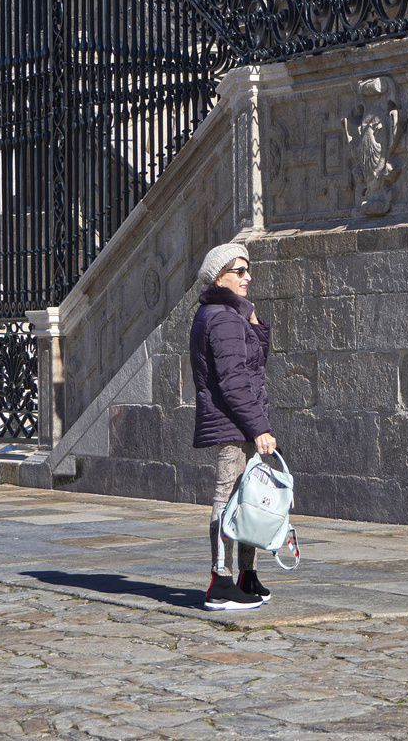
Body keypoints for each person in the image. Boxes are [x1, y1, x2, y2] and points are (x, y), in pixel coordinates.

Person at [189, 242, 277, 610]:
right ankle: (220, 581)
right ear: (218, 276)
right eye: (238, 271)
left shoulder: (230, 314)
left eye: (247, 269)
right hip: (233, 422)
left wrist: (255, 322)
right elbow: (234, 380)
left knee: (249, 501)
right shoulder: (222, 317)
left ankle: (246, 575)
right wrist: (258, 428)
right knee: (228, 500)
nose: (247, 276)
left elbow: (255, 362)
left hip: (240, 420)